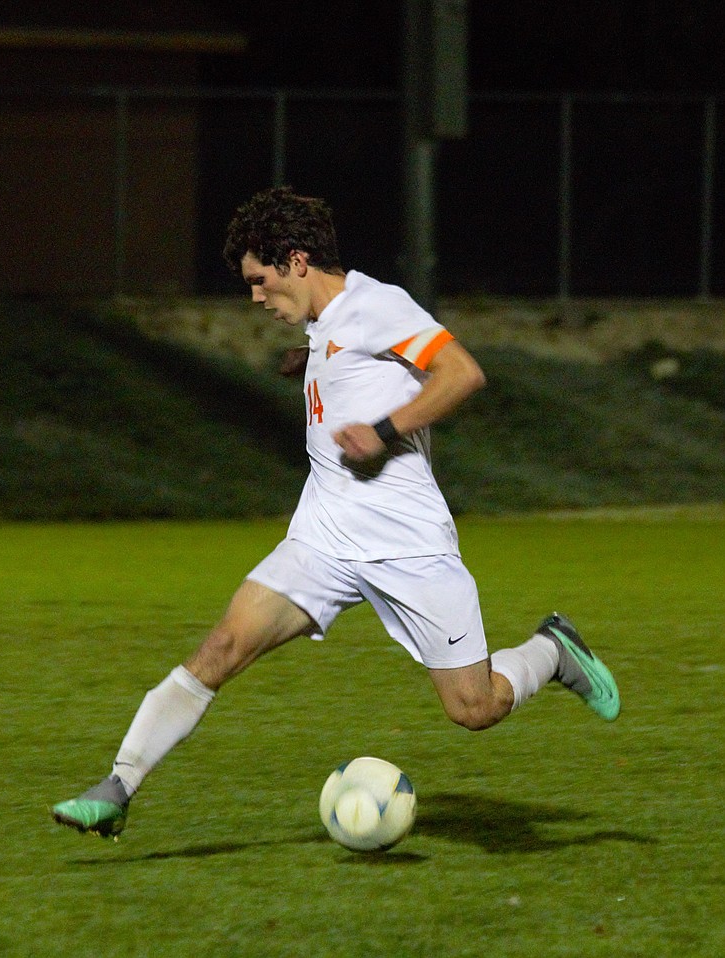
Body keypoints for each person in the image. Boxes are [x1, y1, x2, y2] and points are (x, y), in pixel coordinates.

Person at [51, 186, 620, 839]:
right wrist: (311, 363)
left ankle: (552, 649)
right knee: (223, 646)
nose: (256, 299)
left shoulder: (376, 305)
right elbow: (351, 361)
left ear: (296, 260)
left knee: (475, 707)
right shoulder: (324, 325)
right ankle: (118, 786)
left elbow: (461, 373)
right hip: (322, 538)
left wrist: (385, 428)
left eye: (260, 281)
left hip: (407, 545)